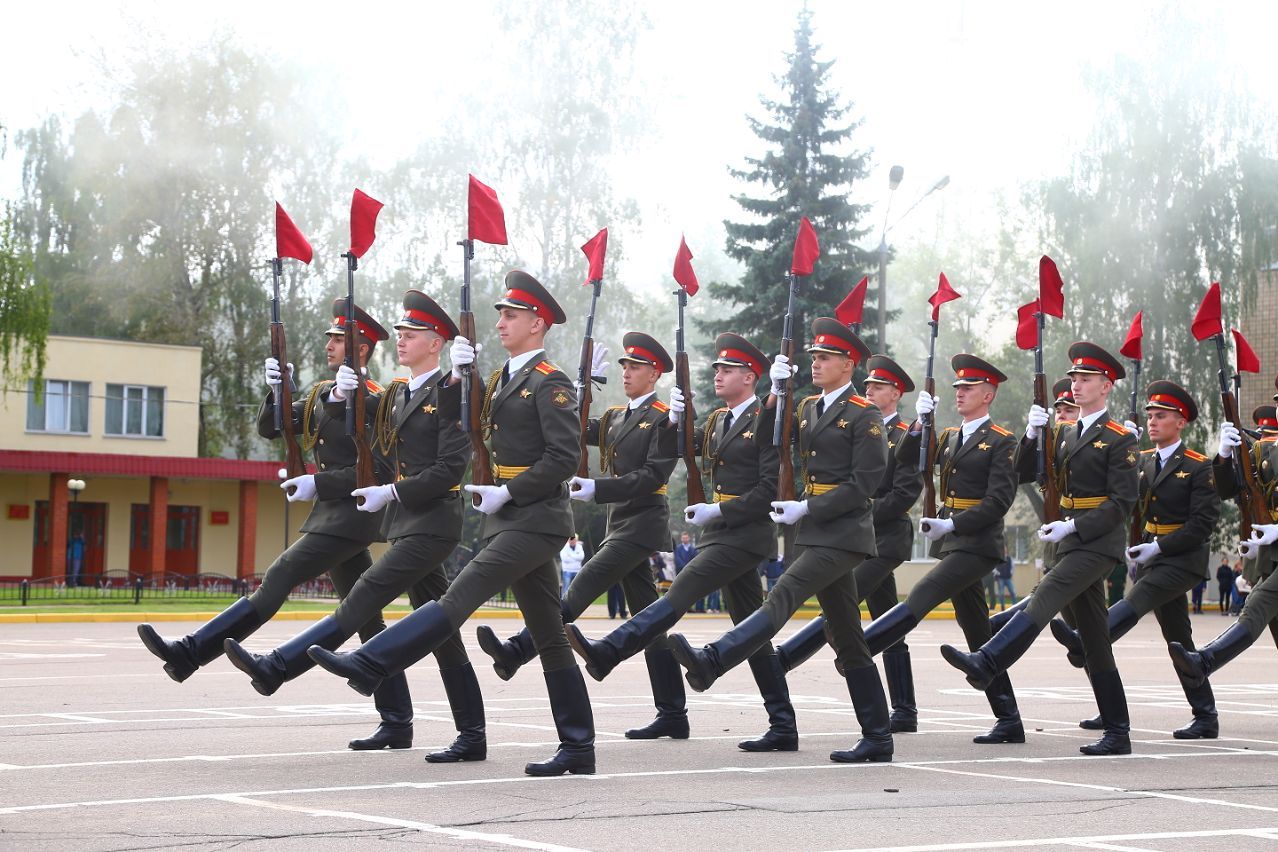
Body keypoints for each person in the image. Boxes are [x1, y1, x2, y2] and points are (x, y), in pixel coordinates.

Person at [309, 270, 595, 777]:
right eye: (501, 314)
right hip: (508, 519)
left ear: (538, 323)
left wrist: (510, 489)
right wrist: (469, 379)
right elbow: (472, 426)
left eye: (511, 315)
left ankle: (371, 661)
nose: (501, 322)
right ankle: (577, 747)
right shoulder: (507, 380)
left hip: (537, 517)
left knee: (457, 598)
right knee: (549, 635)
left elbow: (563, 456)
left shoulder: (550, 382)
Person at [138, 299, 417, 751]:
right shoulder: (329, 392)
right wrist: (279, 389)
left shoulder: (378, 401)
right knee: (366, 618)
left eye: (339, 339)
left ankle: (190, 653)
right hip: (332, 516)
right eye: (329, 336)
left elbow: (380, 473)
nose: (329, 344)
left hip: (350, 518)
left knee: (280, 576)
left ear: (361, 350)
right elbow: (275, 426)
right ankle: (398, 721)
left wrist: (318, 481)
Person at [223, 289, 486, 762]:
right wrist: (335, 394)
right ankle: (470, 734)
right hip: (404, 522)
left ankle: (278, 666)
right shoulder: (399, 393)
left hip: (434, 521)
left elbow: (451, 466)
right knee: (444, 638)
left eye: (413, 333)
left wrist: (469, 376)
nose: (402, 339)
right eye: (401, 332)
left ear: (439, 341)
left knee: (365, 592)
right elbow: (356, 432)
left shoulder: (450, 390)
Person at [668, 318, 895, 763]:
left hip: (843, 533)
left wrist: (808, 507)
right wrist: (774, 392)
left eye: (825, 358)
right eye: (813, 357)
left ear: (848, 365)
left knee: (783, 595)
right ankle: (878, 736)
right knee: (847, 636)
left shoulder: (864, 414)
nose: (816, 363)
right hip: (812, 533)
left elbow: (864, 484)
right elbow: (766, 435)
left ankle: (714, 659)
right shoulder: (808, 406)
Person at [565, 332, 798, 754]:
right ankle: (782, 723)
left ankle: (610, 651)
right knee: (752, 633)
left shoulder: (761, 420)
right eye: (717, 369)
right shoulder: (717, 422)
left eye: (727, 370)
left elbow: (768, 488)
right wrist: (671, 422)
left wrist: (778, 394)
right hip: (721, 533)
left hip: (744, 535)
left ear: (750, 377)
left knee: (683, 587)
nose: (718, 375)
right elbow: (665, 452)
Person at [473, 330, 687, 740]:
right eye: (624, 365)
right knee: (650, 622)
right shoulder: (616, 418)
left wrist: (599, 488)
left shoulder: (663, 417)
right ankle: (673, 712)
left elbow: (652, 476)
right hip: (619, 522)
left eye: (636, 366)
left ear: (655, 373)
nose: (627, 372)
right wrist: (578, 386)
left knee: (581, 586)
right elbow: (563, 426)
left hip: (642, 525)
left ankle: (517, 650)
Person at [941, 341, 1139, 757]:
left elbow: (1122, 503)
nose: (1077, 385)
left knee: (1045, 596)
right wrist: (1032, 436)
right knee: (1095, 639)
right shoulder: (1065, 434)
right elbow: (1025, 473)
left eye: (1086, 379)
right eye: (1074, 379)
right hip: (1069, 543)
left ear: (1106, 386)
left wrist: (1073, 523)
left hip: (1097, 544)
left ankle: (989, 659)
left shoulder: (1120, 439)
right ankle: (1118, 731)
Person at [1047, 380, 1221, 739]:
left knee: (1134, 602)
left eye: (1162, 416)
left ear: (1181, 422)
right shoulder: (1140, 461)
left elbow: (1203, 525)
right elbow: (1124, 504)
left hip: (1182, 560)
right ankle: (1205, 714)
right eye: (1151, 416)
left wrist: (1159, 547)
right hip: (1149, 557)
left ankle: (1085, 641)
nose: (1154, 422)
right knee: (1178, 639)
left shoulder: (1198, 466)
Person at [772, 352, 924, 734]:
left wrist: (856, 515)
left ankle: (786, 657)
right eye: (869, 384)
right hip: (850, 529)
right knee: (886, 624)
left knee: (841, 610)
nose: (871, 390)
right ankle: (902, 710)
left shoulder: (904, 434)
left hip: (882, 537)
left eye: (880, 386)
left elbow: (903, 493)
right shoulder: (848, 416)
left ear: (897, 394)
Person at [1170, 383, 1278, 686]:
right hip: (1271, 557)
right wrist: (1225, 455)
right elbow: (1230, 489)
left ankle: (1205, 661)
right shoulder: (1267, 451)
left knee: (1257, 605)